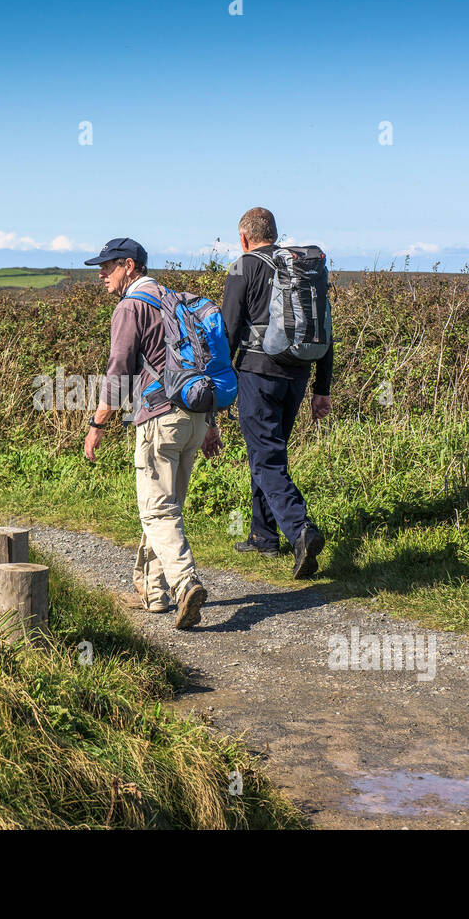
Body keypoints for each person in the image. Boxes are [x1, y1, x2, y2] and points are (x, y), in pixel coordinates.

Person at [82, 238, 218, 629]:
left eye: (108, 266)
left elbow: (118, 372)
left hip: (160, 417)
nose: (102, 275)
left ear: (129, 265)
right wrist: (211, 424)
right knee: (165, 507)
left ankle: (185, 583)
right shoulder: (177, 299)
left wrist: (97, 425)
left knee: (157, 510)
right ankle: (154, 593)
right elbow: (204, 363)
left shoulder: (131, 307)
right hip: (194, 415)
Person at [219, 207, 331, 578]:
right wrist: (322, 388)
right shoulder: (299, 269)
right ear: (275, 233)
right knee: (269, 449)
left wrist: (219, 381)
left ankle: (300, 530)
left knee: (266, 457)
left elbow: (230, 331)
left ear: (244, 238)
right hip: (297, 373)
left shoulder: (242, 267)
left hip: (257, 372)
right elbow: (323, 329)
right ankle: (264, 535)